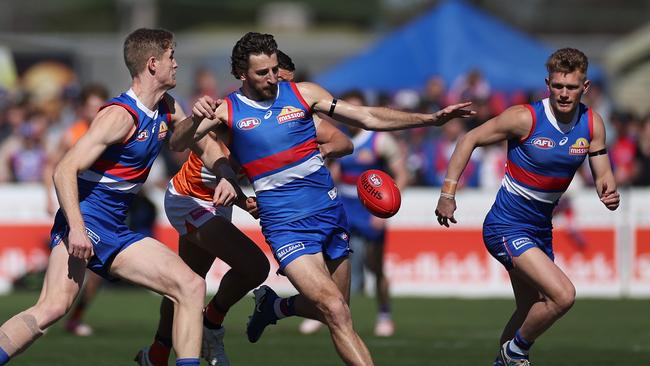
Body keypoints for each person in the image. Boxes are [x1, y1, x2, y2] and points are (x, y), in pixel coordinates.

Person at [171, 32, 474, 366]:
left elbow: (367, 117)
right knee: (335, 310)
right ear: (241, 73)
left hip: (330, 216)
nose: (273, 78)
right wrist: (196, 116)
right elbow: (178, 142)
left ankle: (275, 306)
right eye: (263, 73)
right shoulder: (227, 110)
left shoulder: (304, 94)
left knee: (337, 307)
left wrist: (429, 119)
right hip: (286, 227)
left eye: (275, 69)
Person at [0, 28, 208, 366]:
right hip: (90, 221)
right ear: (153, 64)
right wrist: (78, 228)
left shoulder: (167, 107)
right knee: (189, 286)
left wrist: (211, 129)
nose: (177, 64)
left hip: (112, 226)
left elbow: (182, 140)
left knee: (52, 307)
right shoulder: (120, 116)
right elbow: (63, 169)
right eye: (172, 58)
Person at [434, 48, 620, 366]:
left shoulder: (592, 124)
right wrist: (448, 193)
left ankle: (503, 360)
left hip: (540, 229)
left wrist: (609, 189)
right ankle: (515, 352)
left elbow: (602, 171)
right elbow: (468, 140)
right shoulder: (524, 117)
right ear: (548, 83)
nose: (564, 93)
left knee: (529, 308)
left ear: (585, 88)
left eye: (572, 87)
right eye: (558, 86)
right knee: (563, 295)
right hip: (506, 225)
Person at [299, 90, 410, 337]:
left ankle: (384, 313)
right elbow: (333, 172)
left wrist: (385, 210)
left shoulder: (379, 141)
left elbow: (401, 174)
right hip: (344, 204)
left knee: (375, 265)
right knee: (330, 263)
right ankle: (323, 313)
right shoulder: (339, 137)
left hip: (371, 207)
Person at [42, 84, 109, 337]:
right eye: (90, 107)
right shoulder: (73, 134)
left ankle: (75, 318)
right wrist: (48, 195)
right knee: (64, 267)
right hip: (77, 206)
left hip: (102, 209)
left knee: (96, 274)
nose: (95, 112)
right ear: (82, 108)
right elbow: (53, 165)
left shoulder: (114, 129)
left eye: (98, 106)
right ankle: (45, 312)